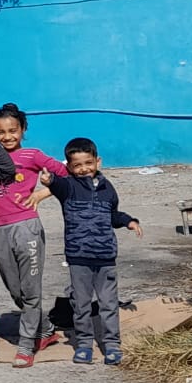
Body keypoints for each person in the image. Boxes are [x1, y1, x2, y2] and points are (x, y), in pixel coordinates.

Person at [41, 138, 143, 366]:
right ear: (69, 167)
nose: (84, 169)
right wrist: (49, 180)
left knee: (108, 303)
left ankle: (112, 344)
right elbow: (56, 185)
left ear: (98, 161)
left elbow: (113, 215)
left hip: (106, 257)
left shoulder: (108, 189)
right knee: (81, 304)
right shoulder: (69, 187)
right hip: (79, 259)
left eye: (88, 163)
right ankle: (84, 344)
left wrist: (129, 221)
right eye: (77, 165)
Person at [0, 103, 65, 368]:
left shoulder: (32, 155)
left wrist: (42, 193)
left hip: (26, 227)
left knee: (31, 291)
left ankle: (27, 345)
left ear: (23, 129)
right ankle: (47, 328)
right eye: (1, 132)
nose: (7, 136)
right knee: (15, 289)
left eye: (12, 130)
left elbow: (67, 174)